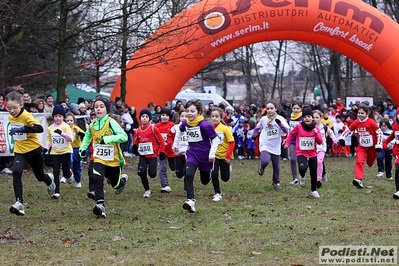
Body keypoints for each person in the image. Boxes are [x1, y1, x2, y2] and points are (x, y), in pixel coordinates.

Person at [6, 91, 56, 215]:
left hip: (34, 150)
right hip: (20, 150)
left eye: (14, 108)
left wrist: (24, 128)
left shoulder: (26, 115)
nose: (11, 111)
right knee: (16, 172)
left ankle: (48, 179)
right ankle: (19, 203)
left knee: (40, 177)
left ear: (21, 105)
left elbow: (40, 128)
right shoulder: (10, 117)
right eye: (8, 108)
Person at [79, 97, 128, 218]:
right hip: (99, 158)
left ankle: (122, 181)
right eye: (96, 107)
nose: (98, 109)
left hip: (114, 160)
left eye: (101, 106)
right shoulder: (92, 125)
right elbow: (87, 138)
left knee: (116, 185)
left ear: (107, 109)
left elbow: (124, 136)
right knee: (96, 177)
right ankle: (100, 205)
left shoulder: (111, 122)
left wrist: (108, 139)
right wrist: (82, 148)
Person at [172, 99, 219, 213]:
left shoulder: (205, 125)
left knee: (204, 181)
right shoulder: (185, 123)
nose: (189, 113)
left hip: (205, 157)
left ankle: (209, 174)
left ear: (199, 112)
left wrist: (212, 154)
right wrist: (175, 144)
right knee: (188, 174)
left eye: (192, 111)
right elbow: (179, 131)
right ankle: (190, 201)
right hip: (192, 154)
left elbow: (216, 139)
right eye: (187, 111)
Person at [338, 104, 383, 189]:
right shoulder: (356, 122)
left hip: (372, 147)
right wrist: (342, 138)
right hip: (361, 146)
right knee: (359, 161)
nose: (360, 115)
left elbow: (379, 133)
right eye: (359, 113)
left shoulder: (371, 122)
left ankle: (372, 158)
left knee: (369, 163)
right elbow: (348, 130)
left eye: (362, 113)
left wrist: (379, 144)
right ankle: (359, 179)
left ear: (367, 114)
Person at [284, 108, 323, 198]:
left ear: (312, 118)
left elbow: (320, 142)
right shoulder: (298, 126)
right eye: (305, 117)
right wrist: (287, 143)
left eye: (309, 116)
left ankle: (313, 191)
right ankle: (302, 176)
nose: (307, 118)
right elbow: (291, 134)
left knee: (313, 173)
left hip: (312, 153)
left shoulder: (316, 128)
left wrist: (316, 134)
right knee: (302, 168)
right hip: (301, 152)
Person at [253, 100, 289, 189]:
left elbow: (286, 130)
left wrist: (280, 124)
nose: (269, 110)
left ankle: (276, 182)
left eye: (271, 108)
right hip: (265, 142)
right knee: (265, 160)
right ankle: (262, 166)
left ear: (276, 109)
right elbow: (257, 128)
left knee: (276, 166)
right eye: (267, 108)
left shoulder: (280, 118)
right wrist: (254, 135)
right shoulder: (263, 119)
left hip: (276, 145)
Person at [133, 109, 165, 198]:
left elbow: (161, 140)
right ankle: (147, 190)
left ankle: (155, 166)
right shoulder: (137, 130)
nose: (144, 118)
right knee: (141, 172)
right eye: (142, 117)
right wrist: (135, 147)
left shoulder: (153, 129)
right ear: (140, 118)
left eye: (146, 117)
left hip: (152, 155)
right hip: (143, 155)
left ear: (149, 119)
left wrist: (162, 151)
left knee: (152, 174)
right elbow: (135, 141)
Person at [45, 105, 74, 199]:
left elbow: (71, 139)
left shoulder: (65, 126)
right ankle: (57, 192)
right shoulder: (50, 128)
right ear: (53, 117)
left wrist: (62, 133)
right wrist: (46, 148)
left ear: (63, 117)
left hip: (65, 152)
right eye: (56, 116)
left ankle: (69, 174)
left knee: (65, 173)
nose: (57, 118)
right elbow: (49, 141)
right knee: (56, 172)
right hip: (55, 152)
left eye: (60, 116)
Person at [210, 107, 235, 201]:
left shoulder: (225, 129)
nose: (214, 118)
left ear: (221, 118)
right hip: (214, 156)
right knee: (214, 173)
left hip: (224, 156)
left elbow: (232, 142)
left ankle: (228, 168)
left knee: (225, 178)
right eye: (212, 116)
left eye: (216, 116)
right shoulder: (209, 128)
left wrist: (228, 156)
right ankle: (217, 193)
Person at [167, 110, 188, 194]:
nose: (184, 118)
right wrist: (173, 146)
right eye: (182, 116)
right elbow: (169, 137)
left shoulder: (192, 127)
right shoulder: (175, 128)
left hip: (188, 153)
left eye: (186, 116)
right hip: (178, 153)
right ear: (179, 117)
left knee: (188, 172)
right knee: (179, 174)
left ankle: (187, 189)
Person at [313, 110, 336, 185]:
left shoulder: (324, 127)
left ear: (320, 117)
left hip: (322, 147)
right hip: (312, 148)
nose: (315, 119)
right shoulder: (310, 127)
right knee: (315, 163)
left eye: (317, 117)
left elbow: (331, 132)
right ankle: (321, 174)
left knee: (319, 162)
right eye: (314, 117)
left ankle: (319, 179)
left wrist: (335, 140)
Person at [155, 108, 175, 193]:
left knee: (173, 168)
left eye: (166, 115)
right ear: (160, 116)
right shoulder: (157, 126)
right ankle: (165, 185)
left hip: (171, 151)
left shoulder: (172, 125)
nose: (164, 117)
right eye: (163, 115)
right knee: (162, 167)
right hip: (162, 151)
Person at [382, 108, 399, 198]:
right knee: (398, 169)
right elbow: (392, 136)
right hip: (398, 151)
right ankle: (398, 190)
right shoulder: (395, 126)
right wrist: (385, 143)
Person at [65, 112, 85, 187]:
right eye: (67, 121)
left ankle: (78, 181)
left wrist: (78, 132)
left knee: (77, 166)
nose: (69, 122)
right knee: (68, 162)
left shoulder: (76, 128)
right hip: (67, 149)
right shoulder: (64, 128)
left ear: (74, 121)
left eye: (71, 120)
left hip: (76, 148)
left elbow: (84, 135)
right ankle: (68, 175)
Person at [287, 101, 303, 184]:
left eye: (297, 108)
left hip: (302, 140)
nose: (296, 110)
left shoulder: (303, 119)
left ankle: (302, 176)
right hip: (292, 140)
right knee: (293, 159)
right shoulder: (289, 119)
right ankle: (295, 178)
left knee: (301, 160)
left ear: (301, 109)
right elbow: (288, 130)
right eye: (294, 108)